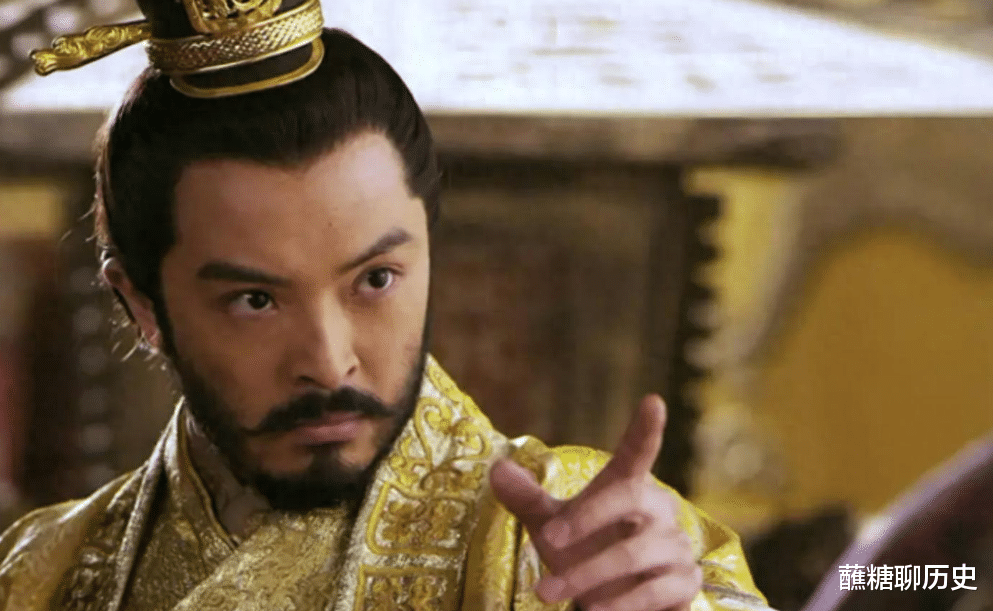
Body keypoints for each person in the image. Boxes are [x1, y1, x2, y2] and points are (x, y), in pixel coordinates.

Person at [1, 1, 771, 609]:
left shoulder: (590, 538)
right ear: (140, 304)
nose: (329, 360)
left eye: (374, 280)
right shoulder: (42, 571)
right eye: (255, 299)